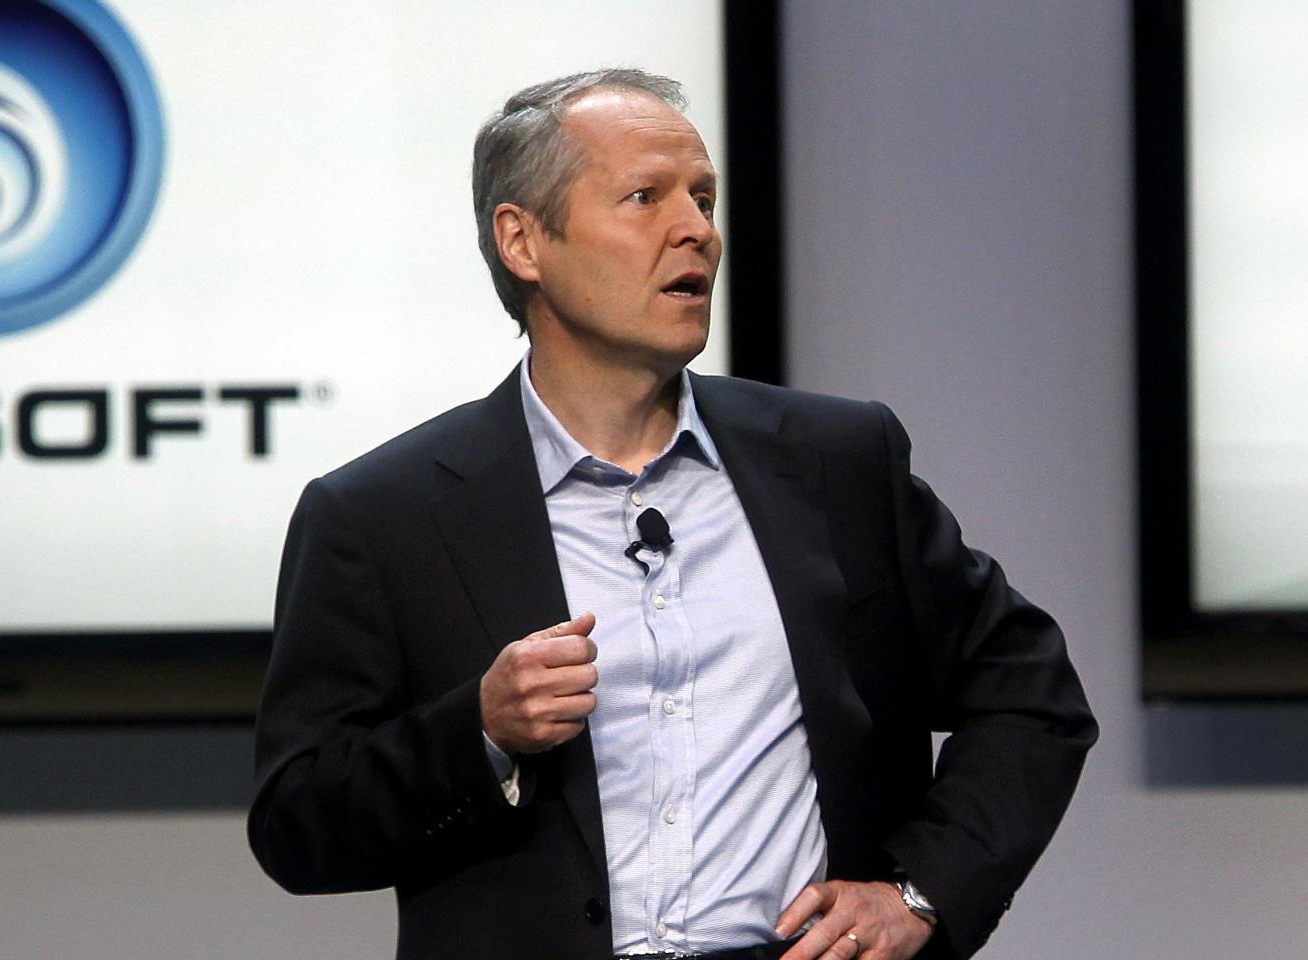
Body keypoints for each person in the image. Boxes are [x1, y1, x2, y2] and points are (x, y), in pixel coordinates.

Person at [248, 69, 1096, 960]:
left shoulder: (834, 463)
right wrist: (481, 731)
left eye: (704, 198)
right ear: (523, 241)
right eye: (644, 198)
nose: (696, 230)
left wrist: (920, 892)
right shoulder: (384, 515)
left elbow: (1030, 694)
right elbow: (298, 823)